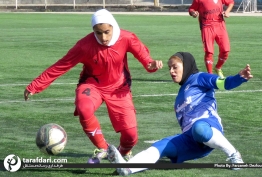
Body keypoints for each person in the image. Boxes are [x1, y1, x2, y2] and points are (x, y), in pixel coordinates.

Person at [23, 9, 163, 164]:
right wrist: (35, 85)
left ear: (113, 27)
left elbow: (146, 60)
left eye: (106, 32)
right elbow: (61, 66)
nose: (103, 37)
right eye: (98, 33)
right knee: (84, 107)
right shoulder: (84, 46)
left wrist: (152, 64)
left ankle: (120, 153)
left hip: (119, 89)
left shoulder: (127, 38)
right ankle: (103, 148)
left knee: (131, 136)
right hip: (92, 85)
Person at [107, 52, 253, 176]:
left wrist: (239, 78)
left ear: (187, 66)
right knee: (160, 146)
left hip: (208, 126)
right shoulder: (179, 97)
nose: (171, 71)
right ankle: (127, 168)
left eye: (175, 67)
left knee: (199, 129)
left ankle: (234, 155)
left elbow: (224, 83)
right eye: (170, 68)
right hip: (190, 139)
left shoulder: (200, 77)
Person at [188, 0, 234, 78]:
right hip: (207, 26)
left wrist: (227, 12)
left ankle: (218, 67)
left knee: (226, 50)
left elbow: (231, 2)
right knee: (209, 52)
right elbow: (191, 9)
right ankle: (210, 75)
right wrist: (193, 13)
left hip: (220, 25)